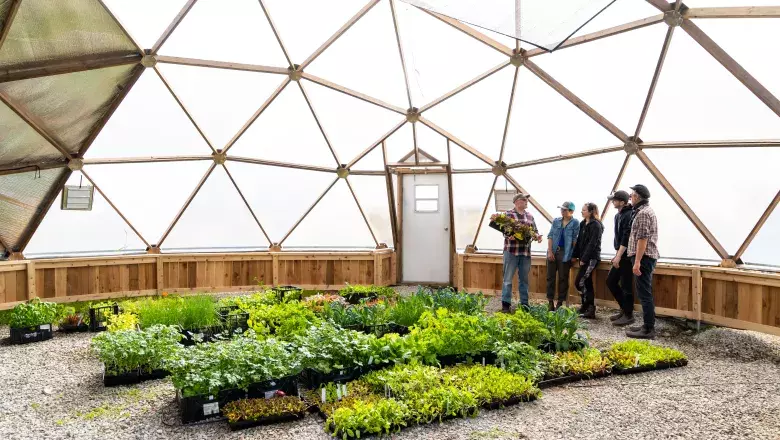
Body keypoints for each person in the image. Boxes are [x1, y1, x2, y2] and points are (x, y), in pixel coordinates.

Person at [625, 184, 659, 339]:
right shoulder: (642, 211)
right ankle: (646, 326)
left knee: (644, 295)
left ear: (638, 196)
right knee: (644, 293)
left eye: (632, 195)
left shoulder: (643, 214)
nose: (630, 197)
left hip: (644, 258)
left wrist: (637, 261)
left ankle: (648, 329)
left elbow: (643, 238)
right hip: (644, 257)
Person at [501, 193, 544, 313]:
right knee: (507, 279)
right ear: (516, 202)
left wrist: (537, 236)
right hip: (511, 251)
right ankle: (506, 304)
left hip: (525, 252)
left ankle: (524, 304)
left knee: (524, 280)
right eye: (524, 200)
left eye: (526, 200)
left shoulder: (529, 216)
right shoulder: (508, 214)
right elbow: (504, 229)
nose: (526, 202)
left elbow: (534, 230)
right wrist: (509, 236)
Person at [606, 190, 635, 326]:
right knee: (611, 281)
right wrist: (617, 254)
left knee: (626, 285)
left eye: (615, 200)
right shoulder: (618, 215)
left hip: (627, 256)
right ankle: (624, 309)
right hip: (620, 253)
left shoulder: (629, 214)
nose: (612, 201)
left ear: (622, 202)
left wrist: (619, 255)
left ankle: (629, 315)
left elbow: (626, 237)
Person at [546, 201, 580, 311]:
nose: (562, 211)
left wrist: (575, 255)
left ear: (571, 211)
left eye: (564, 210)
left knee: (563, 278)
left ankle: (560, 302)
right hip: (554, 251)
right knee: (550, 277)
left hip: (566, 253)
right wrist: (550, 251)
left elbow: (575, 240)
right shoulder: (556, 221)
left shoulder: (575, 223)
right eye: (561, 209)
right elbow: (550, 236)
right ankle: (550, 302)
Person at [572, 203, 603, 319]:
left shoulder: (596, 225)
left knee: (579, 282)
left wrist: (584, 259)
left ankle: (589, 307)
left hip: (591, 258)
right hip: (583, 258)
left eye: (584, 210)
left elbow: (593, 243)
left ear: (590, 212)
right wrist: (574, 255)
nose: (582, 212)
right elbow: (579, 241)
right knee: (586, 282)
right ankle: (586, 308)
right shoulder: (583, 223)